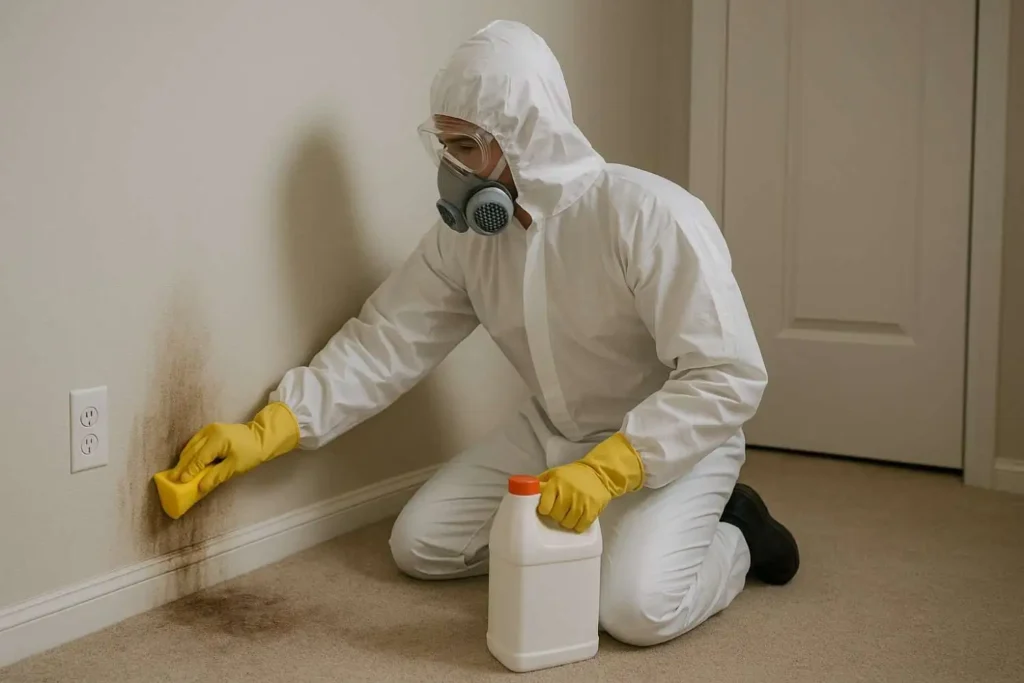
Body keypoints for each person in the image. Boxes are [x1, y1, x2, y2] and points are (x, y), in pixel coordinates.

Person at [169, 20, 800, 647]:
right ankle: (620, 533)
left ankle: (738, 533)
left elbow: (728, 374)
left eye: (467, 147)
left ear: (526, 138)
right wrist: (271, 427)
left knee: (634, 611)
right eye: (446, 147)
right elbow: (387, 339)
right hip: (556, 431)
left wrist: (615, 468)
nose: (452, 167)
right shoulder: (469, 240)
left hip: (671, 443)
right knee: (420, 544)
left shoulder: (648, 217)